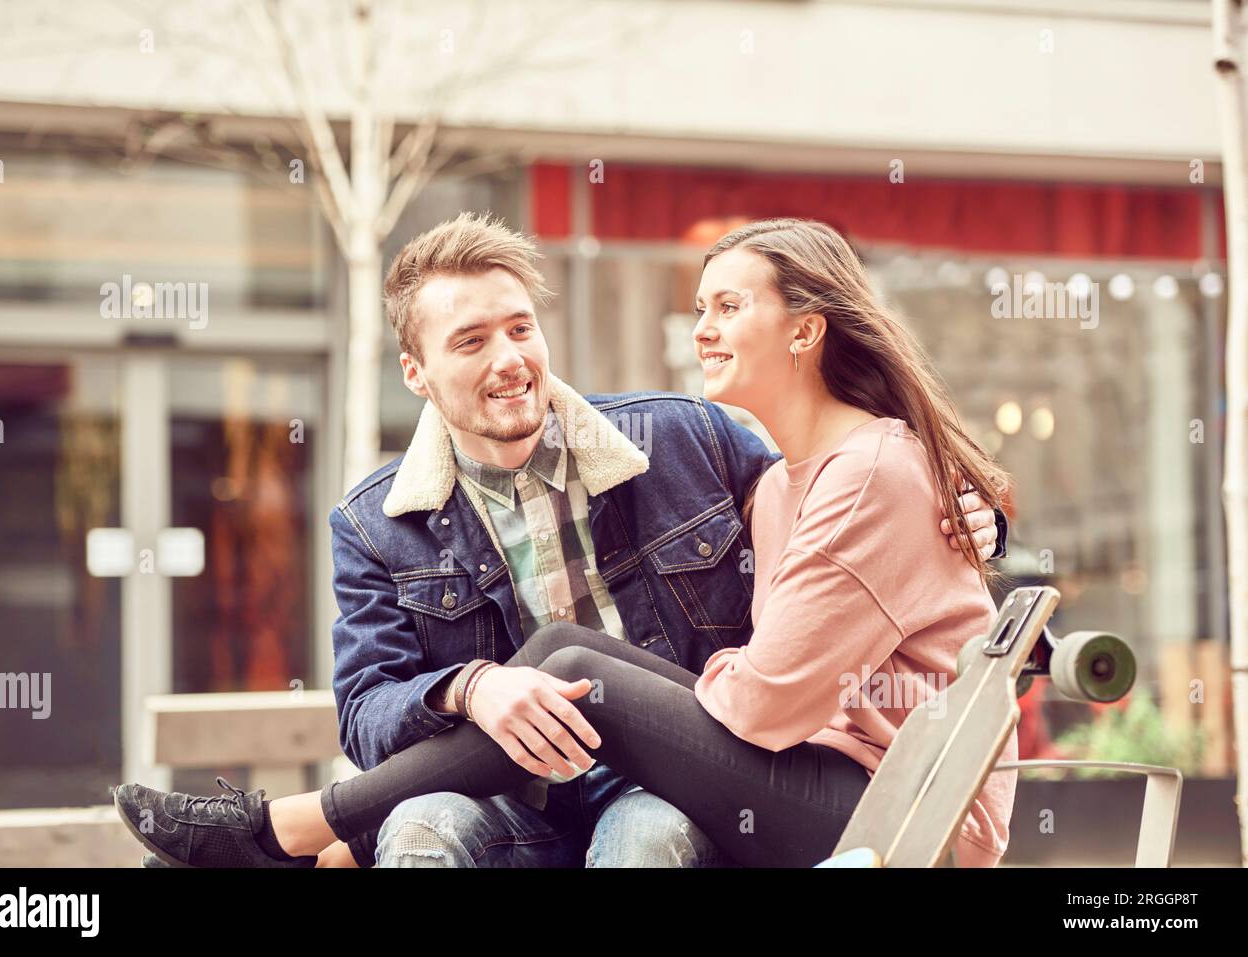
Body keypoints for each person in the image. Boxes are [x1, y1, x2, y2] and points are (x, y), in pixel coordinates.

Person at [115, 215, 1009, 869]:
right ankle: (308, 829)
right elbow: (366, 713)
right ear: (416, 373)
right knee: (472, 769)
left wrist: (976, 519)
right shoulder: (375, 522)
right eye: (471, 340)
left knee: (576, 681)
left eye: (520, 327)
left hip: (825, 796)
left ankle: (290, 830)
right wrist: (474, 689)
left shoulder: (693, 440)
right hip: (539, 795)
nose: (508, 357)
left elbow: (888, 517)